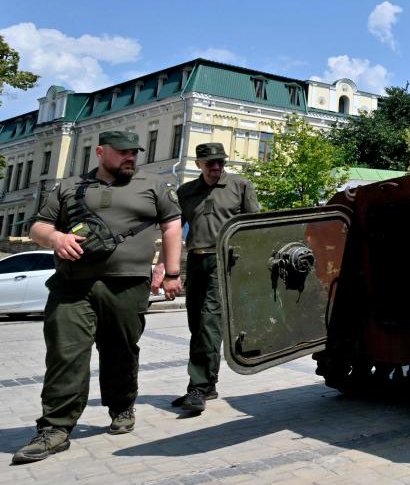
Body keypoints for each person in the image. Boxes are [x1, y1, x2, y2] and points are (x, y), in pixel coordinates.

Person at [12, 131, 182, 465]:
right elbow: (38, 227)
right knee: (65, 353)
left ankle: (121, 405)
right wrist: (56, 238)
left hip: (128, 283)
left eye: (134, 152)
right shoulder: (69, 187)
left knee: (120, 350)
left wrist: (171, 271)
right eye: (122, 153)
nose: (130, 158)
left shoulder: (152, 185)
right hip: (72, 283)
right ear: (101, 152)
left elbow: (172, 225)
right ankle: (55, 428)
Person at [171, 142, 260, 414]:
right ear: (198, 163)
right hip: (195, 260)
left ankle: (197, 386)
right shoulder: (186, 192)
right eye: (210, 163)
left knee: (210, 321)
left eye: (220, 162)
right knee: (196, 322)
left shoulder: (239, 185)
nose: (216, 167)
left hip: (225, 261)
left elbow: (254, 225)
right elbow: (174, 228)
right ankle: (208, 384)